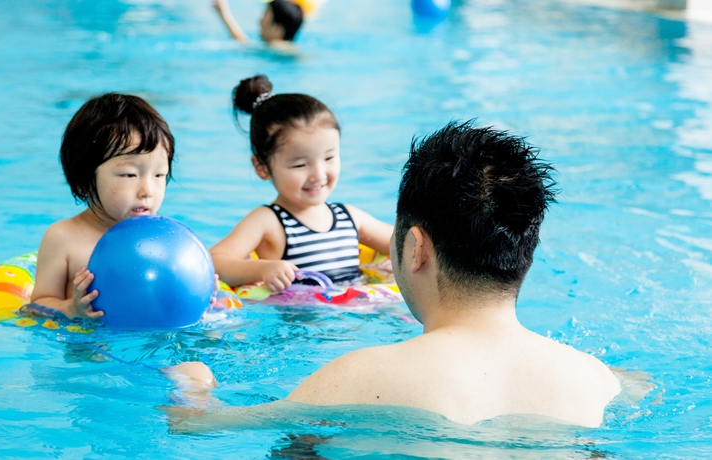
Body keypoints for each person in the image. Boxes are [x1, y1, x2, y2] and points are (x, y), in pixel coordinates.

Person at [170, 121, 621, 427]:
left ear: (415, 248)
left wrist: (194, 386)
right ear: (527, 250)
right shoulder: (598, 381)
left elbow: (201, 429)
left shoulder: (351, 381)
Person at [209, 74, 393, 293]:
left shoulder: (350, 218)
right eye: (299, 165)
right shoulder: (268, 221)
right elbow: (213, 261)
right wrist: (262, 269)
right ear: (262, 167)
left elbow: (406, 242)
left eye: (329, 158)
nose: (318, 174)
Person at [30, 93, 175, 319]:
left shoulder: (165, 238)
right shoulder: (64, 238)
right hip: (89, 348)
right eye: (129, 174)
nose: (147, 190)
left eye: (159, 174)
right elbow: (37, 306)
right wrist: (70, 308)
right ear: (85, 181)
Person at [212, 0, 304, 47]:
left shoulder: (275, 46)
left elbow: (244, 44)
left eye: (265, 17)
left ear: (277, 28)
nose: (259, 22)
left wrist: (224, 13)